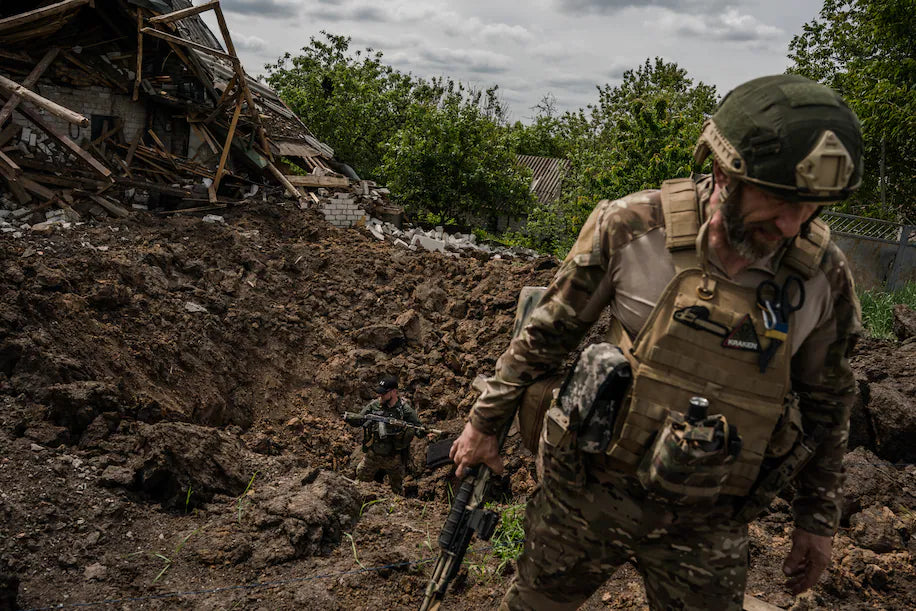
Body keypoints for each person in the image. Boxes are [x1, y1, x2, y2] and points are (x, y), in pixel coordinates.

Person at [450, 74, 864, 610]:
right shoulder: (631, 227)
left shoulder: (822, 278)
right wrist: (484, 425)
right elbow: (545, 335)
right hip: (589, 495)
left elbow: (829, 406)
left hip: (710, 522)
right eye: (780, 199)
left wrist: (816, 522)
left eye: (813, 207)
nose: (792, 223)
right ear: (723, 171)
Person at [346, 374, 424, 494]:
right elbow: (360, 419)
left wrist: (422, 432)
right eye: (379, 393)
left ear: (393, 392)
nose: (380, 395)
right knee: (360, 484)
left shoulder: (405, 410)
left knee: (397, 491)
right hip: (373, 454)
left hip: (393, 457)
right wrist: (351, 418)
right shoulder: (374, 405)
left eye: (383, 393)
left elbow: (418, 427)